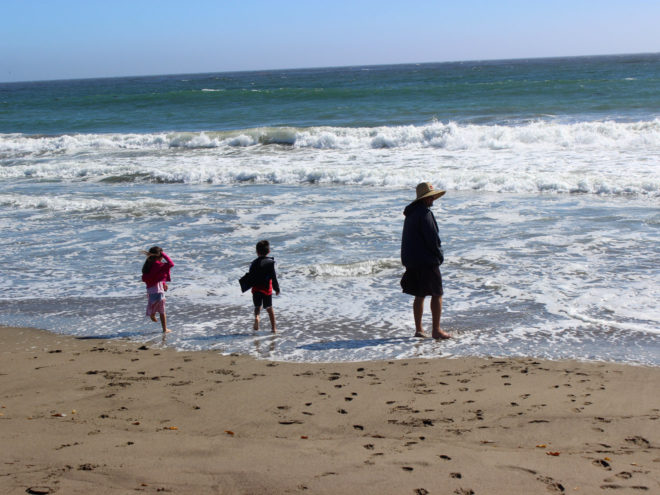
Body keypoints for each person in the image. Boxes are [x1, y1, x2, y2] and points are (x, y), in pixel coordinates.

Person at [400, 182, 451, 340]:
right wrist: (439, 255)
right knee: (437, 294)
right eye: (430, 197)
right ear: (425, 199)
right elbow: (432, 239)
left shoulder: (411, 214)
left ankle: (419, 329)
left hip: (413, 260)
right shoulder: (425, 213)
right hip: (427, 261)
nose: (433, 200)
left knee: (419, 295)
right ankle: (436, 330)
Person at [248, 240, 280, 333]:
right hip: (267, 290)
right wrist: (276, 288)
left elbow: (250, 277)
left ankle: (257, 317)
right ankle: (273, 328)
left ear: (257, 252)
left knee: (257, 306)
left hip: (256, 289)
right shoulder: (270, 263)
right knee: (269, 308)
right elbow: (273, 277)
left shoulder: (253, 263)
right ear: (268, 251)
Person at [141, 246, 174, 333]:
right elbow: (171, 264)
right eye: (162, 255)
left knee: (156, 305)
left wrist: (163, 283)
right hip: (157, 291)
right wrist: (164, 254)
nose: (163, 257)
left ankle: (153, 314)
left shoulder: (149, 264)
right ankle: (163, 328)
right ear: (159, 255)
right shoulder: (157, 264)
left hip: (151, 290)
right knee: (162, 310)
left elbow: (155, 276)